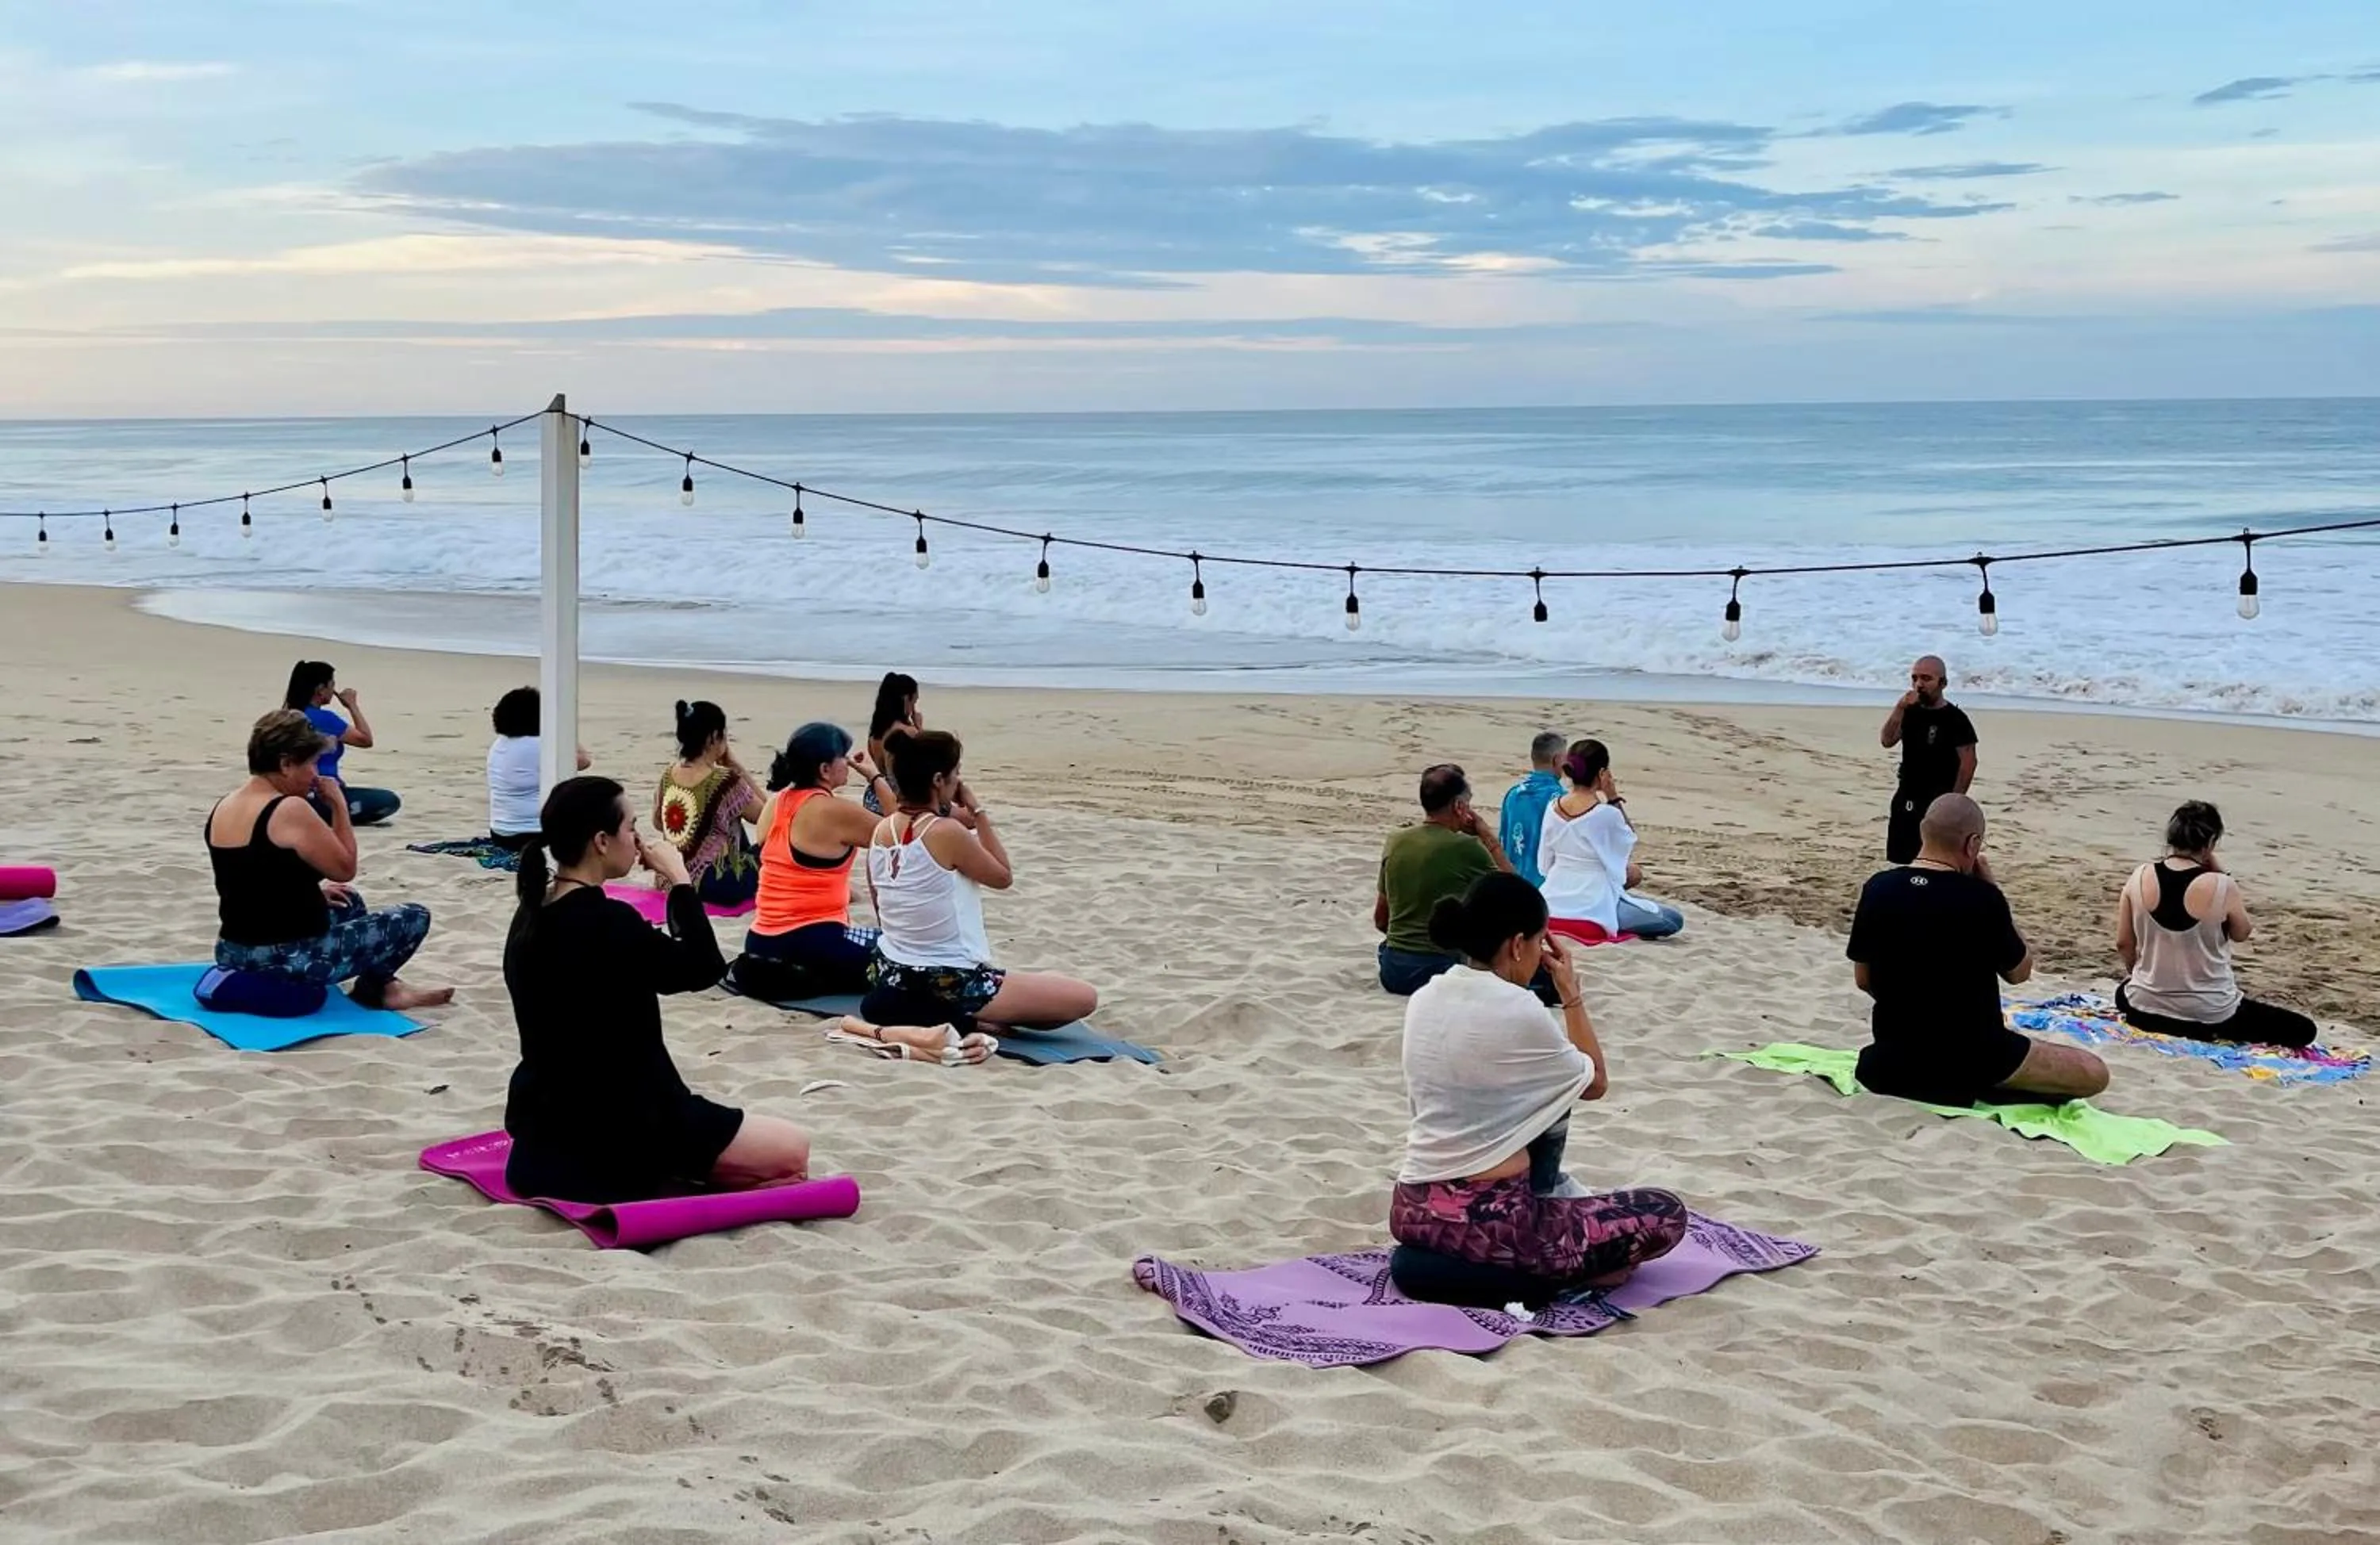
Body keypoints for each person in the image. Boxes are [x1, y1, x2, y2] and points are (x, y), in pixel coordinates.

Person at [501, 775, 814, 1203]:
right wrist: (680, 879)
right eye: (631, 828)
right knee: (793, 1151)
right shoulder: (609, 923)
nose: (639, 839)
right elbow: (703, 968)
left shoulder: (530, 915)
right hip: (626, 1126)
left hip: (543, 1130)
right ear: (601, 842)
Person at [1389, 872, 1688, 1291]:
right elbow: (1596, 1083)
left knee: (1544, 1111)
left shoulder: (1425, 998)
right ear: (1516, 944)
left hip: (1412, 1210)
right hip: (1494, 1224)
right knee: (1666, 1212)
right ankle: (1549, 1278)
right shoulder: (1518, 1007)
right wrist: (1571, 994)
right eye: (1538, 942)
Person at [1847, 793, 2108, 1106]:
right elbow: (2020, 972)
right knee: (2094, 1072)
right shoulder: (1983, 900)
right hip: (1973, 1056)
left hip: (1891, 1058)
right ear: (1972, 845)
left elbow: (1863, 979)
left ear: (1922, 832)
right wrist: (1994, 890)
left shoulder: (1878, 887)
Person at [858, 726, 1098, 1037]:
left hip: (890, 972)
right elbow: (1003, 876)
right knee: (1081, 998)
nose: (958, 781)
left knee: (1043, 991)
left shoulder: (880, 830)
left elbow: (880, 904)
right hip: (949, 981)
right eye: (956, 773)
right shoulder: (945, 832)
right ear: (938, 780)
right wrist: (977, 811)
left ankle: (951, 1015)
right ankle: (961, 1017)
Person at [208, 709, 451, 1010]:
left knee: (349, 902)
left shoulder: (226, 804)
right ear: (285, 764)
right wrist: (338, 804)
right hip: (282, 959)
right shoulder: (288, 809)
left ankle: (388, 987)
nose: (315, 774)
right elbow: (345, 866)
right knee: (413, 917)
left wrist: (311, 895)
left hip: (232, 949)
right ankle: (377, 990)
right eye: (310, 763)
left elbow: (248, 879)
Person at [2113, 801, 2317, 1047]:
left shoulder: (2139, 875)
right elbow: (2242, 933)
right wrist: (2223, 875)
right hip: (2209, 1013)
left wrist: (2139, 975)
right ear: (2210, 844)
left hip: (2145, 1005)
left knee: (2123, 992)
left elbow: (2124, 943)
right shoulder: (2222, 885)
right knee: (2304, 1030)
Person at [736, 721, 899, 998]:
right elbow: (901, 831)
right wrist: (875, 778)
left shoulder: (777, 802)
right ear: (825, 769)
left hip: (760, 940)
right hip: (812, 944)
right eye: (843, 758)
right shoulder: (832, 811)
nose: (848, 763)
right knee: (905, 954)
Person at [1373, 765, 1514, 995]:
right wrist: (1487, 837)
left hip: (1394, 970)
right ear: (1459, 806)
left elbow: (1381, 920)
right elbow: (1518, 892)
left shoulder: (1395, 840)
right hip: (1440, 970)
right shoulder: (1466, 847)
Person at [1537, 739, 1685, 941]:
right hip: (1593, 903)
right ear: (1601, 774)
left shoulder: (1552, 807)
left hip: (1551, 901)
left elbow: (1545, 864)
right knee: (1672, 919)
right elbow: (1628, 841)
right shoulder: (1606, 814)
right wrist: (1613, 797)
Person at [653, 700, 763, 908]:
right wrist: (737, 768)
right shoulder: (725, 780)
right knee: (772, 845)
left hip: (671, 876)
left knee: (730, 819)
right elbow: (768, 818)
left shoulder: (668, 775)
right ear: (714, 737)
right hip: (716, 884)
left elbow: (658, 823)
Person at [1879, 655, 1976, 865]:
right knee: (1901, 860)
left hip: (1938, 799)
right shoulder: (1909, 712)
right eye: (1914, 678)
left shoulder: (1956, 719)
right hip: (1907, 793)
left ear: (1943, 683)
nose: (1919, 685)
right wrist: (1900, 707)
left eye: (1926, 679)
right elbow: (1887, 740)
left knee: (1937, 860)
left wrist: (1954, 801)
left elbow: (1968, 763)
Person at [285, 660, 400, 826]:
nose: (333, 691)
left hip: (292, 792)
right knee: (388, 800)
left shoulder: (288, 716)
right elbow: (365, 740)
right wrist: (352, 705)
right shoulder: (325, 719)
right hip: (321, 793)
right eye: (331, 685)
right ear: (320, 689)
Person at [486, 686, 591, 852]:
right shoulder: (539, 746)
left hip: (500, 831)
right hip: (531, 834)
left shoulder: (499, 744)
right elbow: (584, 761)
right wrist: (564, 728)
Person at [1498, 732, 1568, 888]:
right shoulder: (1563, 800)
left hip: (1513, 885)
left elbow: (1502, 841)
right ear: (1557, 760)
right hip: (1547, 889)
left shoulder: (1513, 794)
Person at [863, 673, 923, 816]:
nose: (914, 708)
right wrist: (920, 729)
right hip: (899, 799)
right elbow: (924, 765)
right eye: (913, 702)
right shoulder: (907, 732)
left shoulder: (875, 734)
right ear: (905, 699)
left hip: (875, 796)